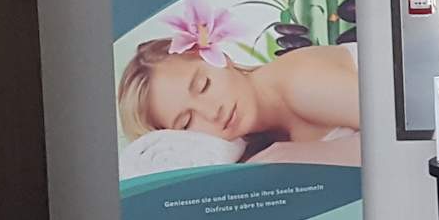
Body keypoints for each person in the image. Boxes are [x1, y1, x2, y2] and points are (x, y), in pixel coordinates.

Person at [117, 39, 362, 166]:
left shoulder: (299, 82)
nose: (212, 112)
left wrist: (305, 156)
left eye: (204, 85)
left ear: (218, 56)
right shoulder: (250, 144)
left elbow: (386, 137)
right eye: (187, 123)